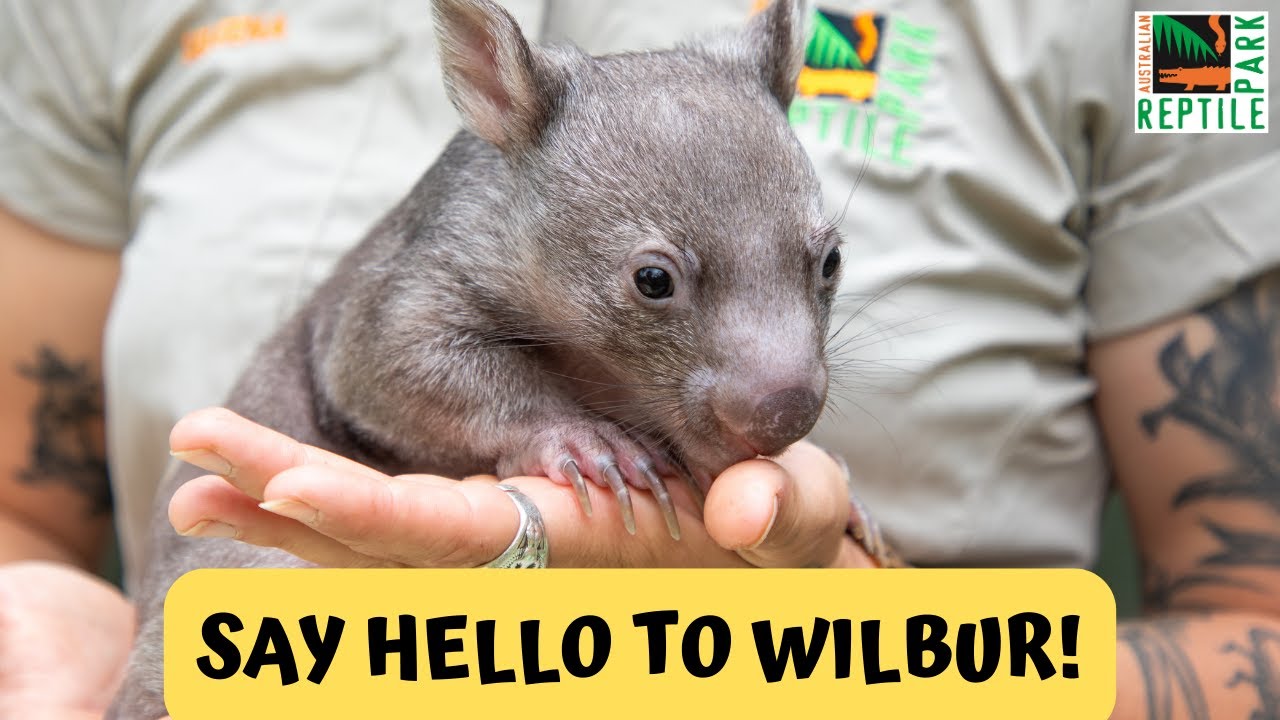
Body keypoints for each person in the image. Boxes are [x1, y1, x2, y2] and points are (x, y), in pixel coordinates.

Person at [1, 0, 1277, 717]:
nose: (791, 384)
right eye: (659, 288)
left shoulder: (1186, 29)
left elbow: (1254, 626)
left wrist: (878, 656)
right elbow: (21, 516)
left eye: (820, 274)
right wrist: (55, 643)